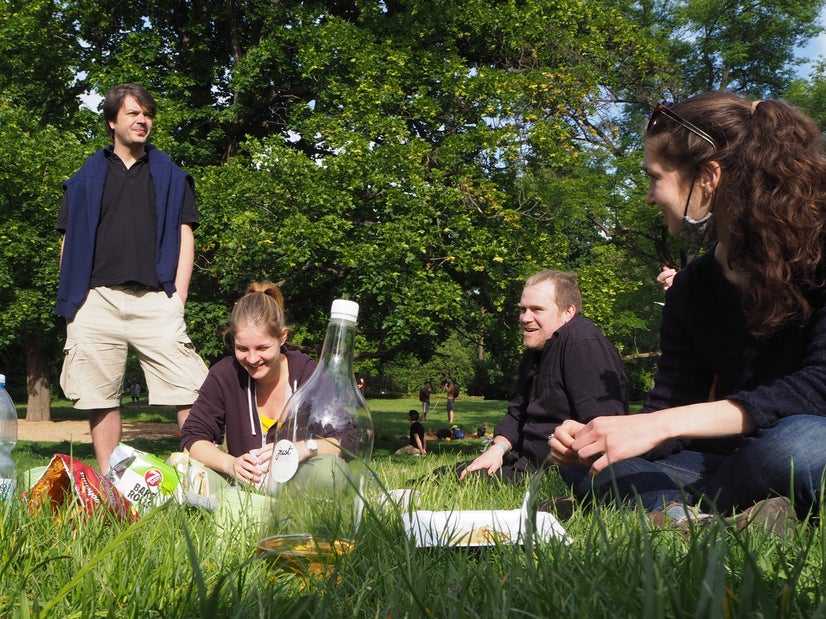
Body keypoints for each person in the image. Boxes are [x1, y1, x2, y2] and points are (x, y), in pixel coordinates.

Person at [551, 92, 826, 526]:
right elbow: (673, 402)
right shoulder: (692, 287)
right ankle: (700, 518)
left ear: (708, 177)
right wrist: (603, 438)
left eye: (654, 177)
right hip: (727, 462)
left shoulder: (818, 253)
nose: (647, 196)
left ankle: (663, 507)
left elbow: (819, 386)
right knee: (586, 463)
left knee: (801, 445)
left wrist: (662, 426)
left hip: (799, 442)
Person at [56, 83, 209, 473]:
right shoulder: (83, 180)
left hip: (157, 299)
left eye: (148, 114)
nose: (143, 120)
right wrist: (75, 299)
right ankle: (111, 483)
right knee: (100, 396)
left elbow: (184, 234)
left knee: (191, 388)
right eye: (133, 113)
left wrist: (179, 299)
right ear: (112, 122)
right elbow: (69, 241)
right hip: (96, 300)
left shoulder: (172, 176)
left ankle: (199, 477)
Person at [459, 270, 628, 481]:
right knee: (446, 477)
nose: (525, 318)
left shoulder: (582, 342)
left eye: (537, 309)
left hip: (558, 470)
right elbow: (517, 414)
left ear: (568, 311)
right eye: (522, 309)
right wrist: (497, 449)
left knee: (466, 482)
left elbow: (604, 425)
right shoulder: (537, 348)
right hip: (522, 458)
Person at [180, 282, 317, 484]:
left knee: (328, 470)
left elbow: (344, 437)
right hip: (244, 487)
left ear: (282, 337)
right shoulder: (224, 374)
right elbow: (192, 436)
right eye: (242, 349)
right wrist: (230, 464)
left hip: (299, 487)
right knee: (183, 471)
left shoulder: (308, 373)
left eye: (262, 347)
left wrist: (301, 449)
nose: (252, 359)